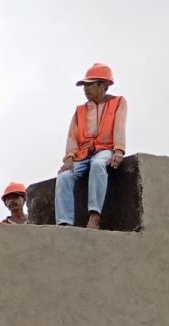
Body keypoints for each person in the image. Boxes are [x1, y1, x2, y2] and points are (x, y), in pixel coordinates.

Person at [55, 63, 127, 229]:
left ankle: (95, 215)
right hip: (82, 154)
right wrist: (69, 157)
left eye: (90, 84)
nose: (85, 89)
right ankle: (64, 223)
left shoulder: (118, 102)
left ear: (103, 85)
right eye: (84, 85)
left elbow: (120, 126)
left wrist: (118, 149)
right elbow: (72, 136)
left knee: (98, 164)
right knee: (64, 177)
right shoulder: (80, 110)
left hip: (105, 149)